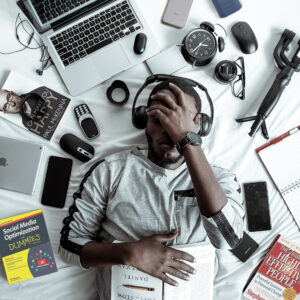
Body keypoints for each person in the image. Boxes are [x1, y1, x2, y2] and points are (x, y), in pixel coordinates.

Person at [59, 78, 245, 299]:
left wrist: (187, 140)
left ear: (199, 125)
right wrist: (129, 253)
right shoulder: (109, 172)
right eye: (160, 119)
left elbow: (229, 240)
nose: (169, 131)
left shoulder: (221, 179)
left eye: (179, 121)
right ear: (143, 120)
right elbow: (69, 248)